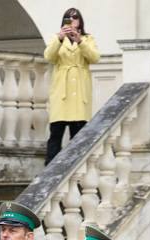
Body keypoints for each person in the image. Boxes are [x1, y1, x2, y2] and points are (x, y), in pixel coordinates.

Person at [43, 7, 99, 164]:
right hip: (62, 90)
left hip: (80, 92)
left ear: (80, 21)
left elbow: (95, 58)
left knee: (79, 135)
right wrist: (60, 39)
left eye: (75, 17)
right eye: (68, 17)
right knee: (56, 133)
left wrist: (79, 41)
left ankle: (76, 169)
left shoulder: (87, 39)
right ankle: (50, 167)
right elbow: (49, 56)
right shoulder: (57, 39)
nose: (72, 20)